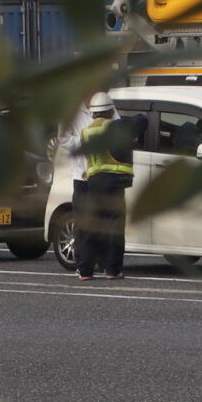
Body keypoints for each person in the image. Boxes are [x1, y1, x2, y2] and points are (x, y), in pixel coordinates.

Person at [72, 105, 136, 280]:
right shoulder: (113, 126)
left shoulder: (86, 131)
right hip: (108, 181)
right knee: (113, 226)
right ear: (108, 112)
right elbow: (139, 123)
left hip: (91, 181)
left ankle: (85, 270)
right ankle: (111, 270)